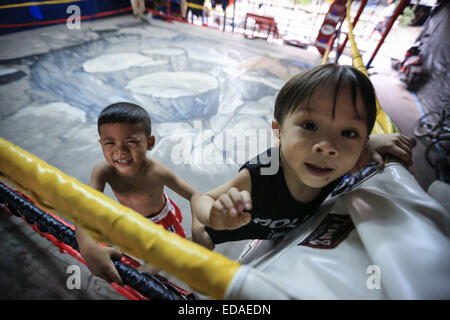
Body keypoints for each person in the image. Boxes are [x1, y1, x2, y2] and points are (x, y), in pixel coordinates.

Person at [191, 63, 415, 247]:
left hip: (277, 234)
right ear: (279, 131)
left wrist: (371, 143)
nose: (327, 147)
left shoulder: (345, 161)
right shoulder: (260, 174)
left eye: (348, 132)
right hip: (229, 229)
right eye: (309, 125)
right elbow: (201, 198)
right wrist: (208, 219)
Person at [75, 102, 203, 284]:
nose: (120, 150)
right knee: (137, 247)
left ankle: (171, 257)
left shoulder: (157, 171)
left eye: (131, 141)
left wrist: (198, 225)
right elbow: (85, 206)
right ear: (101, 144)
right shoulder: (103, 170)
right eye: (109, 143)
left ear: (149, 143)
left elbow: (194, 195)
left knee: (171, 254)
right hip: (133, 219)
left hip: (161, 221)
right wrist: (87, 248)